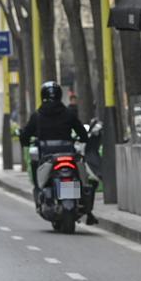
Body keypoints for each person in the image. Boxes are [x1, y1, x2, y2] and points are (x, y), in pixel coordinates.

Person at [20, 80, 98, 226]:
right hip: (68, 154)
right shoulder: (68, 113)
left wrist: (25, 140)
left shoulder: (37, 115)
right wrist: (81, 138)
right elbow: (83, 133)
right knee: (84, 178)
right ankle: (87, 210)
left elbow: (25, 135)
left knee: (39, 180)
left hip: (47, 157)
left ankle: (42, 197)